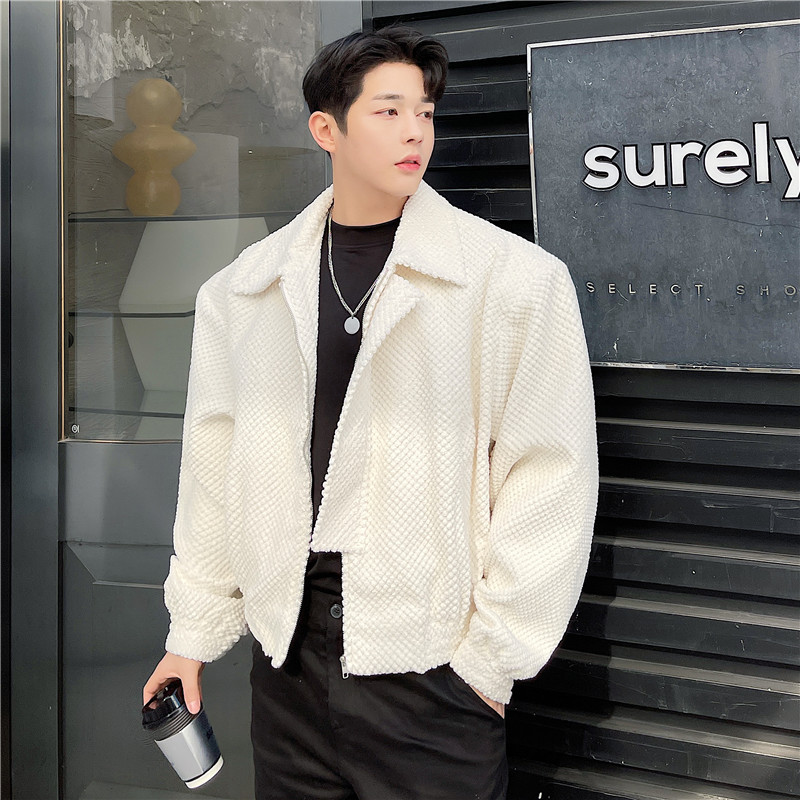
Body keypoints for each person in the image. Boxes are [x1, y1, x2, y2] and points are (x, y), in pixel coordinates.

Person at [143, 25, 598, 800]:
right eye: (388, 111)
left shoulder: (513, 282)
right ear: (327, 129)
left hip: (432, 672)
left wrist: (490, 662)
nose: (415, 131)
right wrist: (191, 636)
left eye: (425, 112)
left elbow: (551, 476)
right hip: (287, 662)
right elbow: (214, 471)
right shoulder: (244, 290)